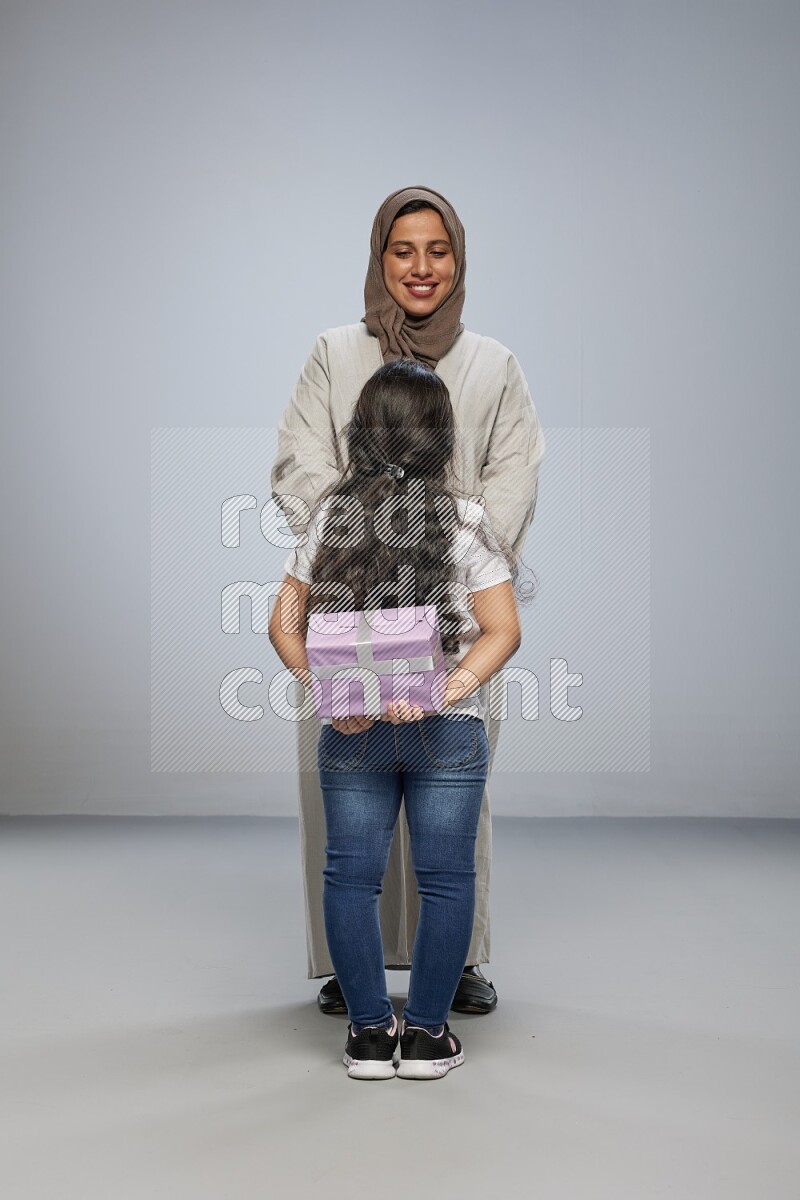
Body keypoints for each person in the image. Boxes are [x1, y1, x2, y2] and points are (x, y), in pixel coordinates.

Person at [270, 184, 545, 1016]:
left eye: (438, 250)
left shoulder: (494, 363)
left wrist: (440, 553)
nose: (421, 267)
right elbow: (301, 459)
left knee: (454, 808)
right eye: (402, 250)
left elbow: (515, 471)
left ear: (458, 260)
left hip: (453, 620)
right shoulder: (333, 352)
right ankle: (345, 967)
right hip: (347, 609)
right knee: (344, 813)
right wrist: (363, 544)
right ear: (378, 258)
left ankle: (454, 962)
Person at [269, 357, 526, 1078]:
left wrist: (331, 692)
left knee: (351, 878)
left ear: (360, 434)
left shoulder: (330, 519)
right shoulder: (466, 521)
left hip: (354, 733)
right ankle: (427, 1038)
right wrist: (449, 688)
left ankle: (368, 1037)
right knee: (446, 879)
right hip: (447, 731)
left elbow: (283, 626)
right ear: (441, 438)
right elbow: (503, 630)